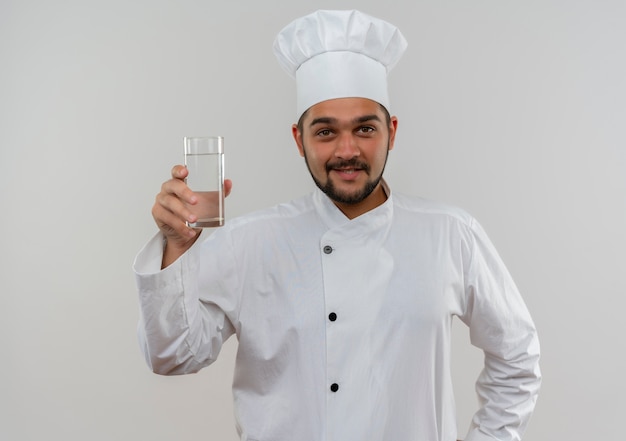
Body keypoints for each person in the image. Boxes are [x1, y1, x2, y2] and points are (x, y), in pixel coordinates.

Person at [134, 9, 541, 441]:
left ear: (392, 131)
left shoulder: (450, 234)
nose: (348, 150)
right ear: (299, 139)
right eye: (325, 132)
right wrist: (177, 245)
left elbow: (517, 357)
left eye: (365, 128)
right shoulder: (250, 242)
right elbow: (172, 356)